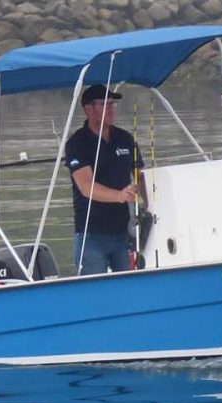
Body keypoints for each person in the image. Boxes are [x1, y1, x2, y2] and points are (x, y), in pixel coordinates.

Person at [64, 84, 146, 275]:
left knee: (129, 287)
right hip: (91, 234)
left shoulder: (125, 138)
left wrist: (145, 207)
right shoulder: (77, 143)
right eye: (104, 104)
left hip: (125, 233)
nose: (111, 109)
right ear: (88, 109)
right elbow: (86, 187)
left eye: (112, 104)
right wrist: (119, 195)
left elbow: (140, 177)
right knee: (94, 293)